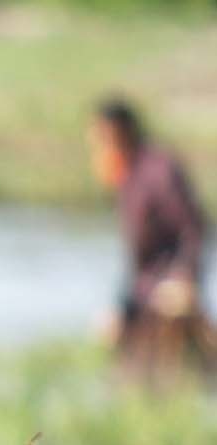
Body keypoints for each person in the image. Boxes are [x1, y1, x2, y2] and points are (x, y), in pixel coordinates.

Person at [88, 97, 212, 378]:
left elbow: (193, 228)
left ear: (120, 131)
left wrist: (183, 278)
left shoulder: (160, 171)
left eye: (102, 137)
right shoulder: (127, 176)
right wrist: (119, 305)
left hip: (170, 290)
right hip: (142, 291)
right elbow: (134, 258)